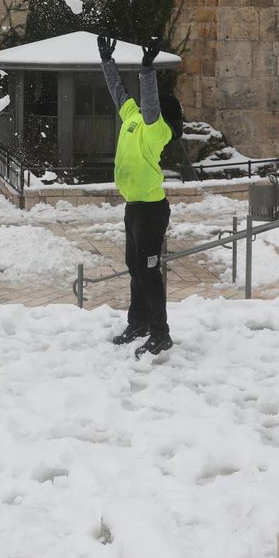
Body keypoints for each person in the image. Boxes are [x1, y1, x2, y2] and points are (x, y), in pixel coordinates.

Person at [98, 33, 182, 356]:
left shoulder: (158, 129)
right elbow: (119, 93)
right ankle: (139, 323)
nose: (151, 107)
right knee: (135, 268)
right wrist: (107, 61)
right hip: (134, 207)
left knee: (148, 272)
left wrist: (147, 69)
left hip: (151, 210)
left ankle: (161, 334)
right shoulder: (132, 117)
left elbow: (150, 106)